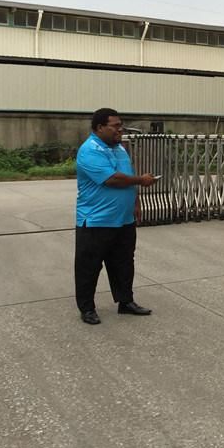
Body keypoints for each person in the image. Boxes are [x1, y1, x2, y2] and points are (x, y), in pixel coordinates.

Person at [75, 108, 157, 325]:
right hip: (96, 221)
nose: (120, 129)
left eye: (121, 125)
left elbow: (127, 174)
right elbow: (112, 179)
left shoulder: (119, 148)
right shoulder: (89, 150)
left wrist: (136, 201)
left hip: (123, 219)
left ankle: (125, 302)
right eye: (115, 126)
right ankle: (87, 308)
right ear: (100, 127)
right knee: (89, 266)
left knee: (124, 263)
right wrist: (141, 180)